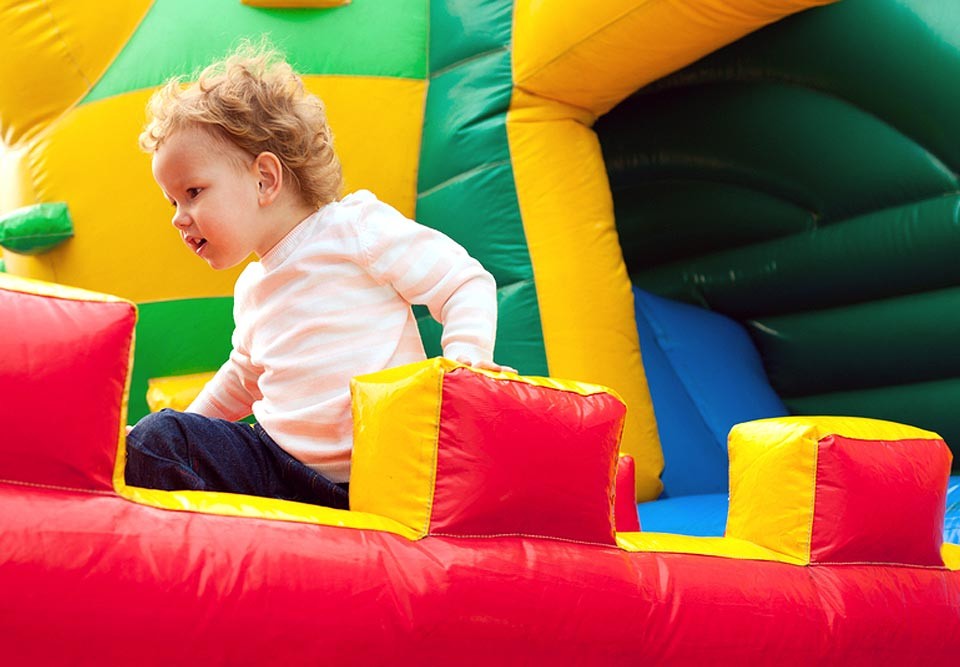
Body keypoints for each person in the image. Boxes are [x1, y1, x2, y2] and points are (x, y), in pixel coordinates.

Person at [126, 43, 514, 509]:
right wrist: (180, 427)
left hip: (385, 464)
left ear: (265, 178)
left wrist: (466, 365)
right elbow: (242, 379)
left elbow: (461, 282)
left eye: (192, 192)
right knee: (157, 441)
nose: (178, 217)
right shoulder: (252, 288)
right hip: (279, 467)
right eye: (173, 201)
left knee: (157, 438)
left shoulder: (354, 229)